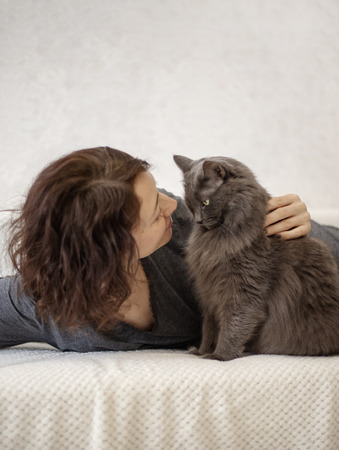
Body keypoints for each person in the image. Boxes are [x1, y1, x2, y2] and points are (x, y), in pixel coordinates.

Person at [1, 146, 339, 352]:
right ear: (111, 250)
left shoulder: (181, 222)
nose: (170, 204)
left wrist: (294, 221)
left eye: (158, 190)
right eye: (152, 211)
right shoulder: (41, 304)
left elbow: (291, 271)